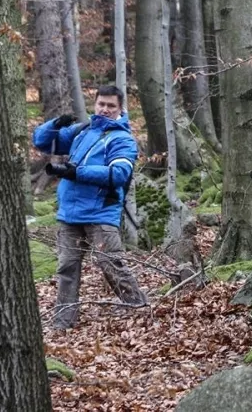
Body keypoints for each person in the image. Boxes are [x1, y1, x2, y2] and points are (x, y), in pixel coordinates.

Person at [33, 85, 148, 330]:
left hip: (101, 213)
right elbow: (42, 142)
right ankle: (62, 323)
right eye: (101, 104)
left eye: (111, 106)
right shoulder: (82, 131)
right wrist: (55, 124)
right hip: (70, 214)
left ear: (120, 109)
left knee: (111, 264)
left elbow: (118, 174)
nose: (105, 109)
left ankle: (139, 308)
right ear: (95, 104)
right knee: (66, 268)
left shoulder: (123, 139)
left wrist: (77, 172)